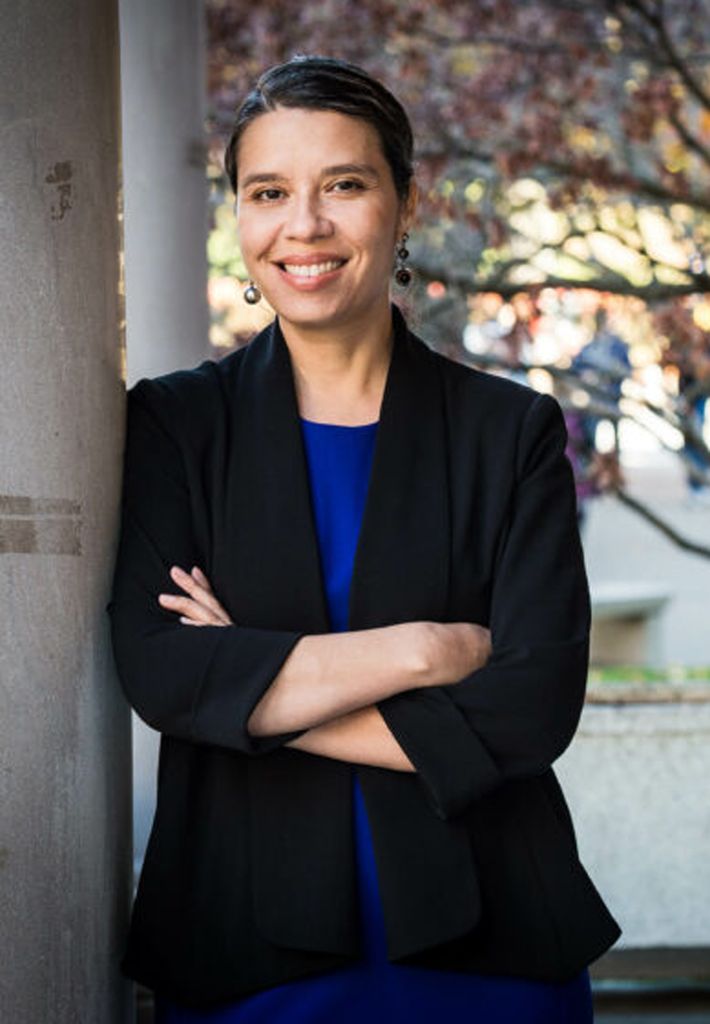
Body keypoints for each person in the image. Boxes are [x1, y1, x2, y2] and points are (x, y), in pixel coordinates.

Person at [108, 56, 620, 1022]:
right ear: (240, 217)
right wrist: (424, 651)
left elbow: (532, 705)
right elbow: (163, 673)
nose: (304, 226)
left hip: (492, 951)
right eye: (269, 193)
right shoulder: (175, 427)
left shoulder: (508, 432)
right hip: (247, 957)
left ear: (405, 204)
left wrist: (250, 687)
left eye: (344, 184)